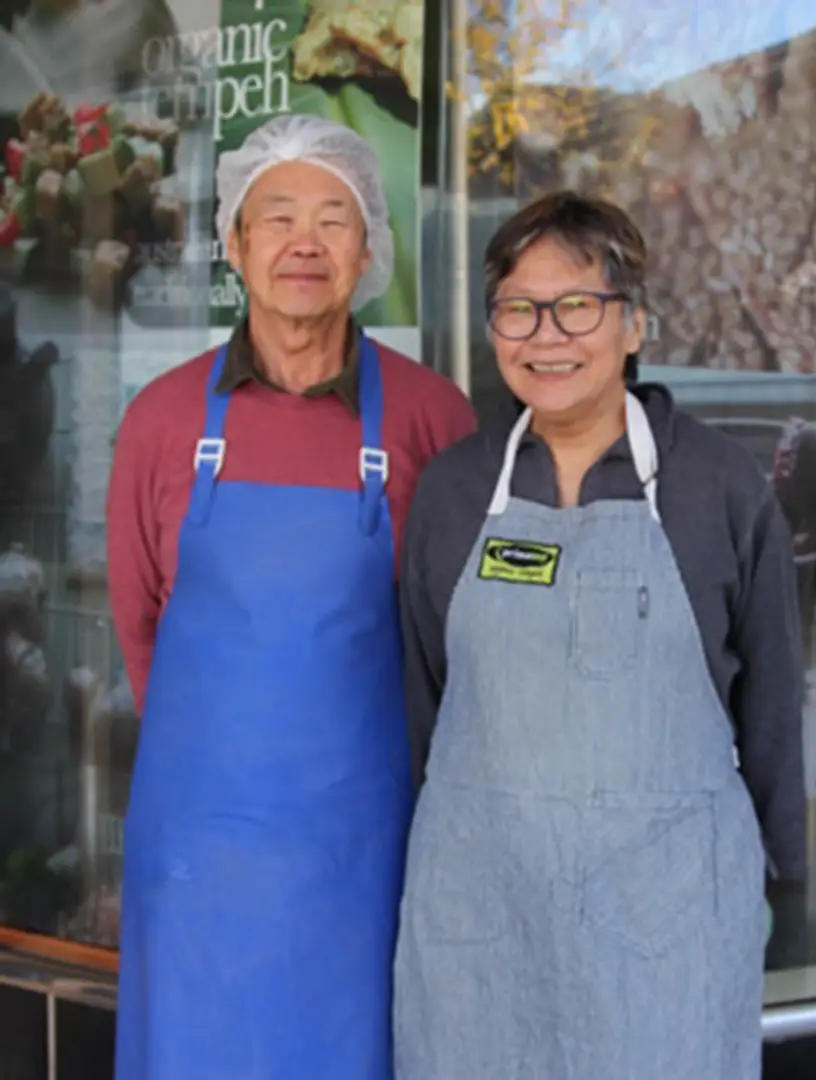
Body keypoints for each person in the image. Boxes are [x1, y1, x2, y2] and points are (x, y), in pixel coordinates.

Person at [393, 191, 806, 1079]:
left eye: (577, 305)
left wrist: (791, 886)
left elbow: (772, 701)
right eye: (518, 309)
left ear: (633, 325)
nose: (547, 335)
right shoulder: (455, 490)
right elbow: (424, 700)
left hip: (665, 924)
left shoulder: (721, 487)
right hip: (481, 916)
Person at [106, 114, 475, 1080]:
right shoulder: (161, 419)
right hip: (198, 860)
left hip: (364, 859)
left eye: (333, 219)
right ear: (234, 243)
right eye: (276, 218)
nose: (303, 244)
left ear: (368, 249)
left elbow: (463, 641)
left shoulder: (436, 417)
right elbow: (138, 623)